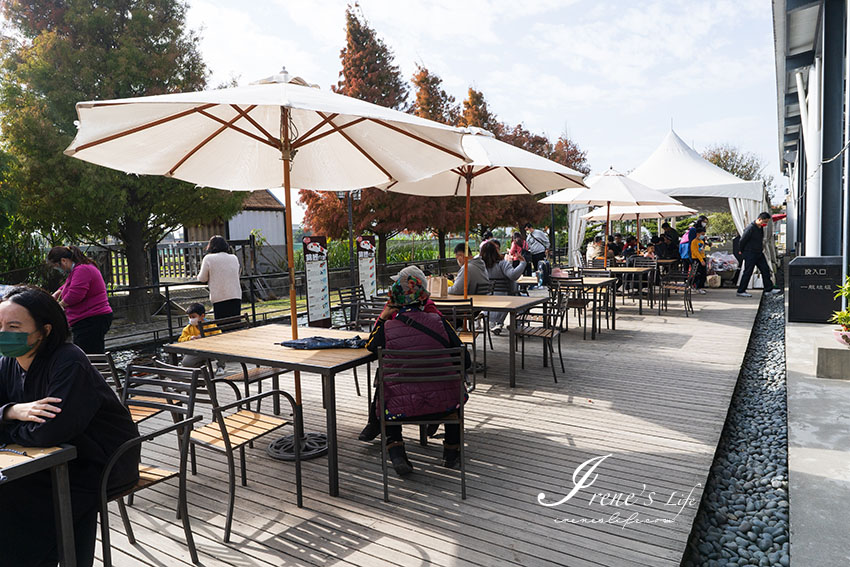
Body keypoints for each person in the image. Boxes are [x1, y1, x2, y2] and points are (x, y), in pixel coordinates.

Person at [0, 286, 140, 567]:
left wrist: (6, 426)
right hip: (45, 459)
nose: (4, 334)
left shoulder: (69, 361)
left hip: (99, 461)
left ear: (45, 330)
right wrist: (13, 411)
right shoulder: (7, 363)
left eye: (13, 326)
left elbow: (50, 431)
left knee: (20, 498)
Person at [358, 269, 468, 475]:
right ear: (423, 297)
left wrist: (382, 318)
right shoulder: (440, 321)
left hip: (400, 410)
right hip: (445, 406)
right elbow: (466, 360)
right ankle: (451, 452)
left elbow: (371, 346)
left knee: (386, 387)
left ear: (395, 301)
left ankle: (396, 450)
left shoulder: (388, 327)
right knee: (453, 389)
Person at [47, 246, 114, 354]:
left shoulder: (82, 269)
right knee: (88, 354)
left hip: (92, 319)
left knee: (89, 355)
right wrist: (57, 293)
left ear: (63, 261)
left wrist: (60, 305)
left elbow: (75, 295)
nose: (58, 269)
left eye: (56, 266)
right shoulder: (79, 269)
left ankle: (96, 370)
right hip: (88, 319)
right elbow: (68, 286)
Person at [480, 241, 525, 335]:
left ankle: (491, 319)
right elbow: (513, 276)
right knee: (524, 300)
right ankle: (517, 324)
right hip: (507, 297)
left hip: (487, 298)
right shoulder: (502, 263)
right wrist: (522, 263)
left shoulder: (480, 266)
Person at [737, 212, 781, 298]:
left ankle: (769, 289)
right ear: (759, 219)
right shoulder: (750, 228)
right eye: (764, 221)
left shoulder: (760, 227)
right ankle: (741, 290)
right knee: (748, 272)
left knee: (765, 269)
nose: (765, 224)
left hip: (759, 253)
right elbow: (742, 241)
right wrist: (742, 251)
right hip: (750, 253)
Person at [198, 235, 242, 319]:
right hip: (235, 295)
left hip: (219, 297)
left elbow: (202, 278)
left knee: (222, 326)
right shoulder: (234, 258)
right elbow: (237, 274)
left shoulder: (208, 258)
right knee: (235, 324)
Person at [177, 303, 221, 367]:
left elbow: (218, 336)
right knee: (186, 363)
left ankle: (220, 366)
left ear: (202, 316)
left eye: (193, 317)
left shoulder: (211, 325)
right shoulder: (188, 328)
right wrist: (190, 338)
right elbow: (180, 339)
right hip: (197, 351)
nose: (191, 319)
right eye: (190, 317)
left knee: (222, 351)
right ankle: (200, 366)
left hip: (212, 349)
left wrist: (205, 338)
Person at [690, 226, 708, 294]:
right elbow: (695, 252)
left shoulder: (701, 241)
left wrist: (703, 258)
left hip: (702, 257)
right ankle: (695, 286)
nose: (703, 236)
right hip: (696, 259)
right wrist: (701, 260)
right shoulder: (694, 242)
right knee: (697, 274)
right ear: (698, 234)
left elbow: (701, 251)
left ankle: (700, 287)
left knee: (703, 274)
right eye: (702, 234)